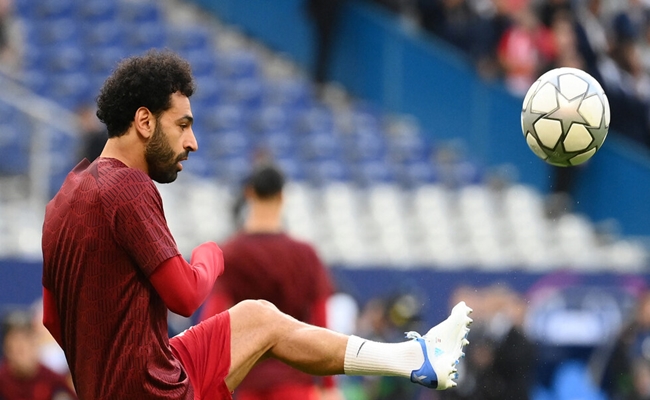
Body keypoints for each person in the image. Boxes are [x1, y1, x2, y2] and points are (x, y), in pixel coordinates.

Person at [40, 49, 473, 400]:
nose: (192, 142)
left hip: (137, 378)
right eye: (183, 125)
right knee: (260, 318)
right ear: (144, 121)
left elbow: (52, 320)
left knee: (258, 316)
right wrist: (209, 257)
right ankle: (413, 358)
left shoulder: (62, 199)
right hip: (152, 392)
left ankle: (414, 357)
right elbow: (185, 296)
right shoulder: (129, 186)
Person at [198, 163, 341, 400]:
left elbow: (213, 318)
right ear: (283, 196)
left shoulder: (231, 253)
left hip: (248, 382)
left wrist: (202, 378)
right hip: (296, 381)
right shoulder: (305, 254)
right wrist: (328, 385)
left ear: (249, 192)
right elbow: (321, 320)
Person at [0, 310, 77, 400]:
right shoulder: (2, 380)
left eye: (27, 343)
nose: (24, 353)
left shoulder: (52, 380)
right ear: (7, 349)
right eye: (18, 349)